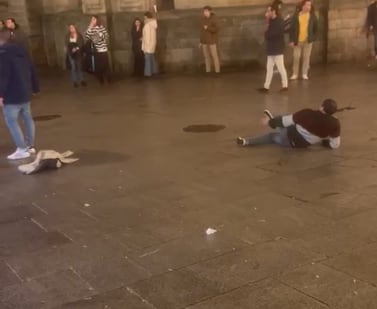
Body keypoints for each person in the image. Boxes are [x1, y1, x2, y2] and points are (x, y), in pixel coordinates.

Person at [236, 99, 341, 149]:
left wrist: (269, 122)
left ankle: (247, 141)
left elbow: (284, 121)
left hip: (288, 136)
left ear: (321, 107)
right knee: (287, 120)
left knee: (273, 134)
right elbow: (335, 144)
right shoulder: (335, 123)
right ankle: (246, 141)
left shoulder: (307, 113)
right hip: (300, 145)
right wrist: (324, 143)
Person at [0, 29, 39, 160]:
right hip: (25, 91)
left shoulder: (3, 54)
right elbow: (32, 69)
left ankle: (21, 149)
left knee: (11, 121)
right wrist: (35, 87)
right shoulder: (22, 51)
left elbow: (3, 75)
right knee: (27, 118)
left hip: (11, 94)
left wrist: (0, 94)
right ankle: (30, 146)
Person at [258, 4, 288, 93]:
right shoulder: (271, 21)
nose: (267, 13)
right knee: (269, 68)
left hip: (277, 48)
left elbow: (270, 34)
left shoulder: (279, 21)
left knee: (281, 67)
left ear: (273, 11)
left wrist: (267, 34)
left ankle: (285, 85)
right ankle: (266, 86)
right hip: (271, 48)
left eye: (269, 11)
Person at [289, 0, 318, 80]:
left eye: (310, 5)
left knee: (306, 57)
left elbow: (316, 27)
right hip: (297, 40)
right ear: (303, 6)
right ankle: (295, 73)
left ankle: (304, 73)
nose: (309, 7)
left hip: (307, 40)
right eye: (307, 5)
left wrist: (313, 37)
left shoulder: (312, 16)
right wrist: (291, 40)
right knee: (296, 57)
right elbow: (292, 29)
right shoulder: (296, 15)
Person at [85, 15, 110, 84]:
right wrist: (90, 27)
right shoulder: (90, 28)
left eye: (94, 19)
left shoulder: (101, 27)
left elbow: (106, 36)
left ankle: (108, 79)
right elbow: (87, 36)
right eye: (92, 19)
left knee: (106, 65)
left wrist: (100, 35)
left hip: (103, 50)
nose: (93, 21)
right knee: (98, 66)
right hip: (96, 50)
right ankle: (100, 79)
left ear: (97, 20)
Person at [200, 6, 220, 74]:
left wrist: (208, 28)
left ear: (210, 11)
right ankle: (208, 70)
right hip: (204, 41)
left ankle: (217, 71)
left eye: (206, 11)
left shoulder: (214, 19)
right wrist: (201, 41)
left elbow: (216, 29)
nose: (205, 13)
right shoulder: (203, 19)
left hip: (212, 41)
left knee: (214, 56)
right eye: (204, 11)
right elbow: (202, 31)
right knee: (206, 56)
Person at [142, 12, 158, 77]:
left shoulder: (147, 25)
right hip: (152, 44)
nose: (143, 18)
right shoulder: (153, 24)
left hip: (148, 45)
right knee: (152, 58)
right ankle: (155, 71)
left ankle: (148, 73)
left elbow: (147, 36)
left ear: (146, 17)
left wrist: (146, 46)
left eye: (144, 17)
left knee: (147, 59)